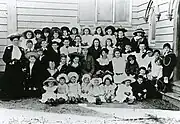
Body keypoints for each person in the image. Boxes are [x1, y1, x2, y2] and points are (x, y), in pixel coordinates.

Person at [0, 33, 26, 100]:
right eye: (14, 40)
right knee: (9, 80)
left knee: (18, 80)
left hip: (18, 67)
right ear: (12, 41)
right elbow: (5, 58)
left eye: (17, 40)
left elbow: (23, 59)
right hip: (10, 67)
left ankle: (17, 95)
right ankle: (9, 95)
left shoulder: (21, 49)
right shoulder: (8, 48)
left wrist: (22, 65)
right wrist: (10, 62)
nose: (16, 42)